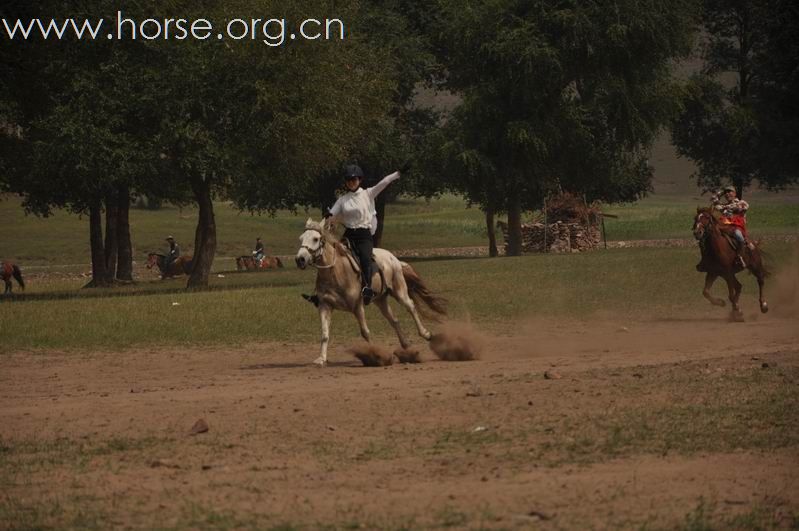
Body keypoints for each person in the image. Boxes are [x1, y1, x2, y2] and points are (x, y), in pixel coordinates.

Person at [326, 163, 406, 305]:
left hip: (364, 235)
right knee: (332, 257)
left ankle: (367, 288)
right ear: (346, 182)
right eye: (349, 180)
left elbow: (385, 182)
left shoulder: (368, 193)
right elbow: (332, 212)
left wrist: (398, 173)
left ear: (360, 180)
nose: (351, 182)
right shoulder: (342, 199)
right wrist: (329, 217)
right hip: (349, 234)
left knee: (364, 258)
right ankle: (327, 289)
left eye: (354, 179)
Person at [711, 185, 751, 268]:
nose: (727, 194)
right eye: (726, 193)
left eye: (730, 192)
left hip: (737, 226)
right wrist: (721, 193)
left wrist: (726, 207)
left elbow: (742, 208)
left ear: (735, 193)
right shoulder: (723, 206)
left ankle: (740, 256)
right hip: (725, 227)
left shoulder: (741, 203)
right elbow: (714, 200)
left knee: (738, 235)